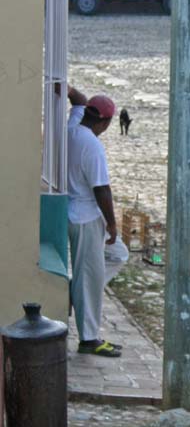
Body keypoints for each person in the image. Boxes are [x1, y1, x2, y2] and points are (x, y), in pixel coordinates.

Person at [67, 86, 129, 357]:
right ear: (105, 122)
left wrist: (67, 88)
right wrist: (112, 224)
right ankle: (89, 338)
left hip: (72, 211)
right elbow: (101, 188)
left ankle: (76, 294)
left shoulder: (73, 124)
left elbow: (78, 100)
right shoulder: (92, 145)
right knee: (90, 275)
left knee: (118, 255)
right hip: (86, 216)